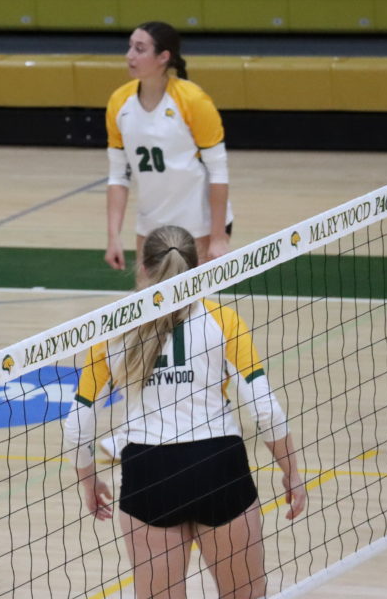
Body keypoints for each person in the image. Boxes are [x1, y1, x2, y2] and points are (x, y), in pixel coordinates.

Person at [64, 226, 306, 599]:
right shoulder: (222, 321)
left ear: (142, 268)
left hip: (149, 473)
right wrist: (291, 473)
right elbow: (266, 411)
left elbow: (78, 424)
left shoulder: (113, 330)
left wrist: (89, 481)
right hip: (219, 466)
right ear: (197, 269)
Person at [105, 21, 234, 272]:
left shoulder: (192, 100)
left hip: (198, 223)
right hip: (150, 222)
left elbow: (218, 172)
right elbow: (118, 176)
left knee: (191, 307)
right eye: (130, 46)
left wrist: (218, 236)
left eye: (140, 49)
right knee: (148, 304)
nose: (129, 55)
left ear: (164, 56)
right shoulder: (119, 102)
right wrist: (113, 237)